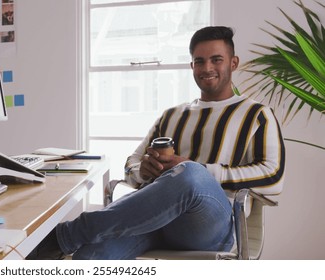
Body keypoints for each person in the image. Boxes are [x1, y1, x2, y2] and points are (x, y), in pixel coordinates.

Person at [27, 26, 285, 260]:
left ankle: (65, 234)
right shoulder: (172, 115)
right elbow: (132, 163)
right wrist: (143, 171)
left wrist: (201, 170)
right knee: (91, 255)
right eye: (199, 61)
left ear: (233, 62)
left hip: (209, 225)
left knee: (191, 173)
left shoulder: (257, 115)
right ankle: (65, 241)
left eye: (216, 60)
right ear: (191, 65)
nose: (207, 68)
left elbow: (273, 175)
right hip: (154, 223)